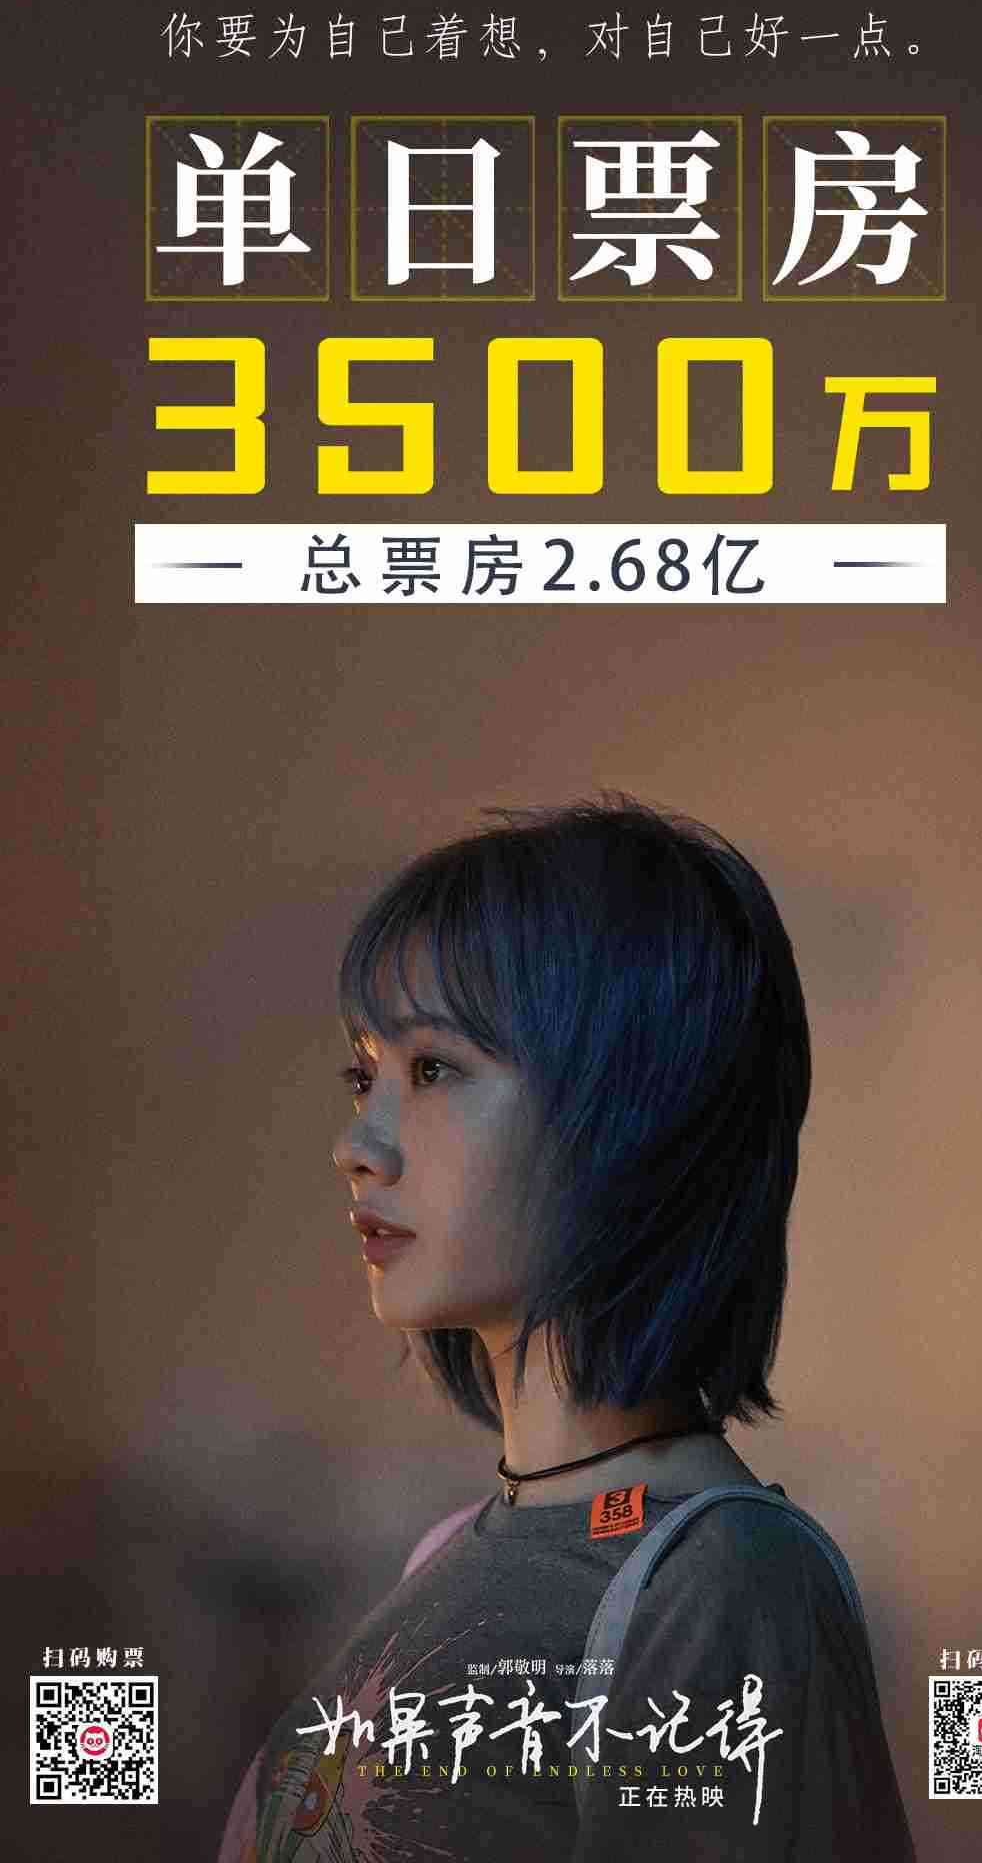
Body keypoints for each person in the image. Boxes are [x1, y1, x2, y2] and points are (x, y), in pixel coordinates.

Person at [218, 793, 917, 1862]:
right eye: (366, 1075)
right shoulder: (445, 1554)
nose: (358, 1143)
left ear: (631, 1111)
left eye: (433, 1069)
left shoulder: (723, 1581)